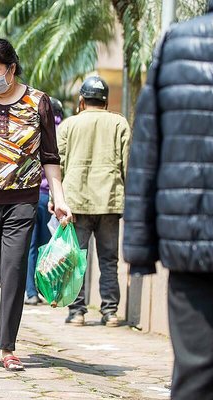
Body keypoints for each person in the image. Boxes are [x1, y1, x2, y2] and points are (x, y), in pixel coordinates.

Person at [0, 38, 72, 372]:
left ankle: (7, 346)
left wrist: (59, 199)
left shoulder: (39, 102)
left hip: (22, 198)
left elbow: (50, 155)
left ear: (11, 68)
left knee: (14, 269)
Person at [123, 1, 213, 397]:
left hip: (193, 244)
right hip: (191, 244)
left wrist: (141, 249)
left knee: (197, 375)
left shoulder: (178, 42)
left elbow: (147, 152)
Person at [57, 76, 130, 327]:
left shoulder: (69, 125)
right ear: (106, 101)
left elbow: (59, 164)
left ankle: (77, 312)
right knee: (109, 259)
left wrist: (57, 199)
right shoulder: (120, 123)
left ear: (81, 100)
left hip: (75, 201)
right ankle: (110, 312)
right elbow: (127, 164)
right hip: (109, 201)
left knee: (76, 259)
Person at [25, 97, 65, 305]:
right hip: (55, 198)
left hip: (33, 195)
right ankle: (44, 290)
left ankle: (30, 292)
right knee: (46, 246)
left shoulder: (34, 126)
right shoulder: (63, 130)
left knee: (30, 246)